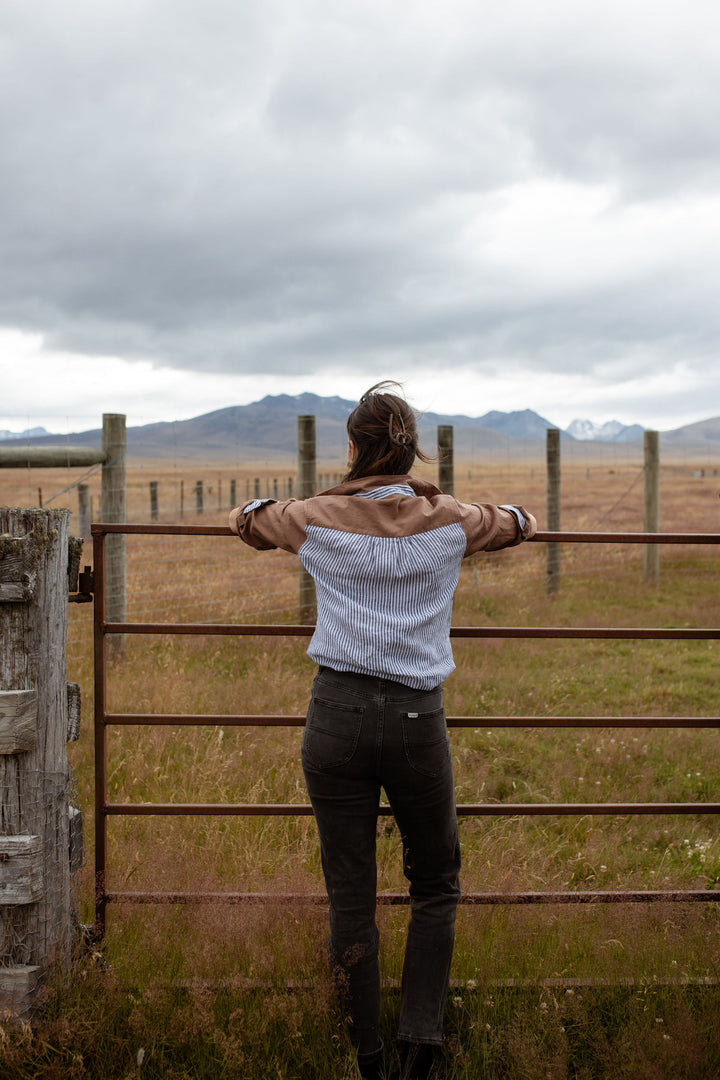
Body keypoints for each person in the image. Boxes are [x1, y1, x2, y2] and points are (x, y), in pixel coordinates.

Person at [229, 382, 536, 1080]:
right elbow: (517, 521)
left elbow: (248, 521)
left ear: (353, 446)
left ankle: (364, 1055)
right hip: (414, 718)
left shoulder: (312, 516)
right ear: (411, 447)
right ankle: (419, 1052)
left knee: (350, 894)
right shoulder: (452, 518)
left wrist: (257, 509)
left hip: (334, 714)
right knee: (435, 882)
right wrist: (513, 516)